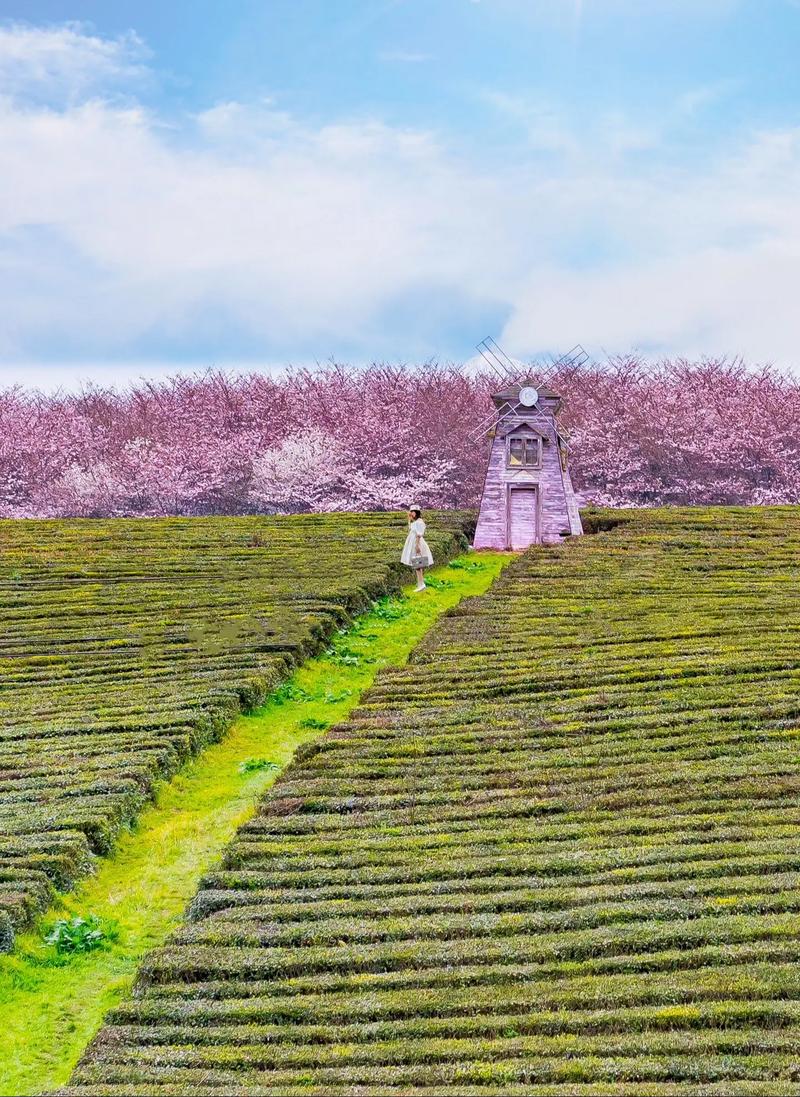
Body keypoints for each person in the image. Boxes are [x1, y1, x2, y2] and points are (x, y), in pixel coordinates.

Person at [401, 506, 433, 592]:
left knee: (418, 563)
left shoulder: (419, 522)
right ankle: (420, 583)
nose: (411, 514)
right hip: (413, 542)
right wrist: (409, 519)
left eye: (413, 512)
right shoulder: (415, 522)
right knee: (417, 564)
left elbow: (419, 534)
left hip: (416, 542)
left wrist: (417, 545)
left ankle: (421, 584)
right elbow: (411, 529)